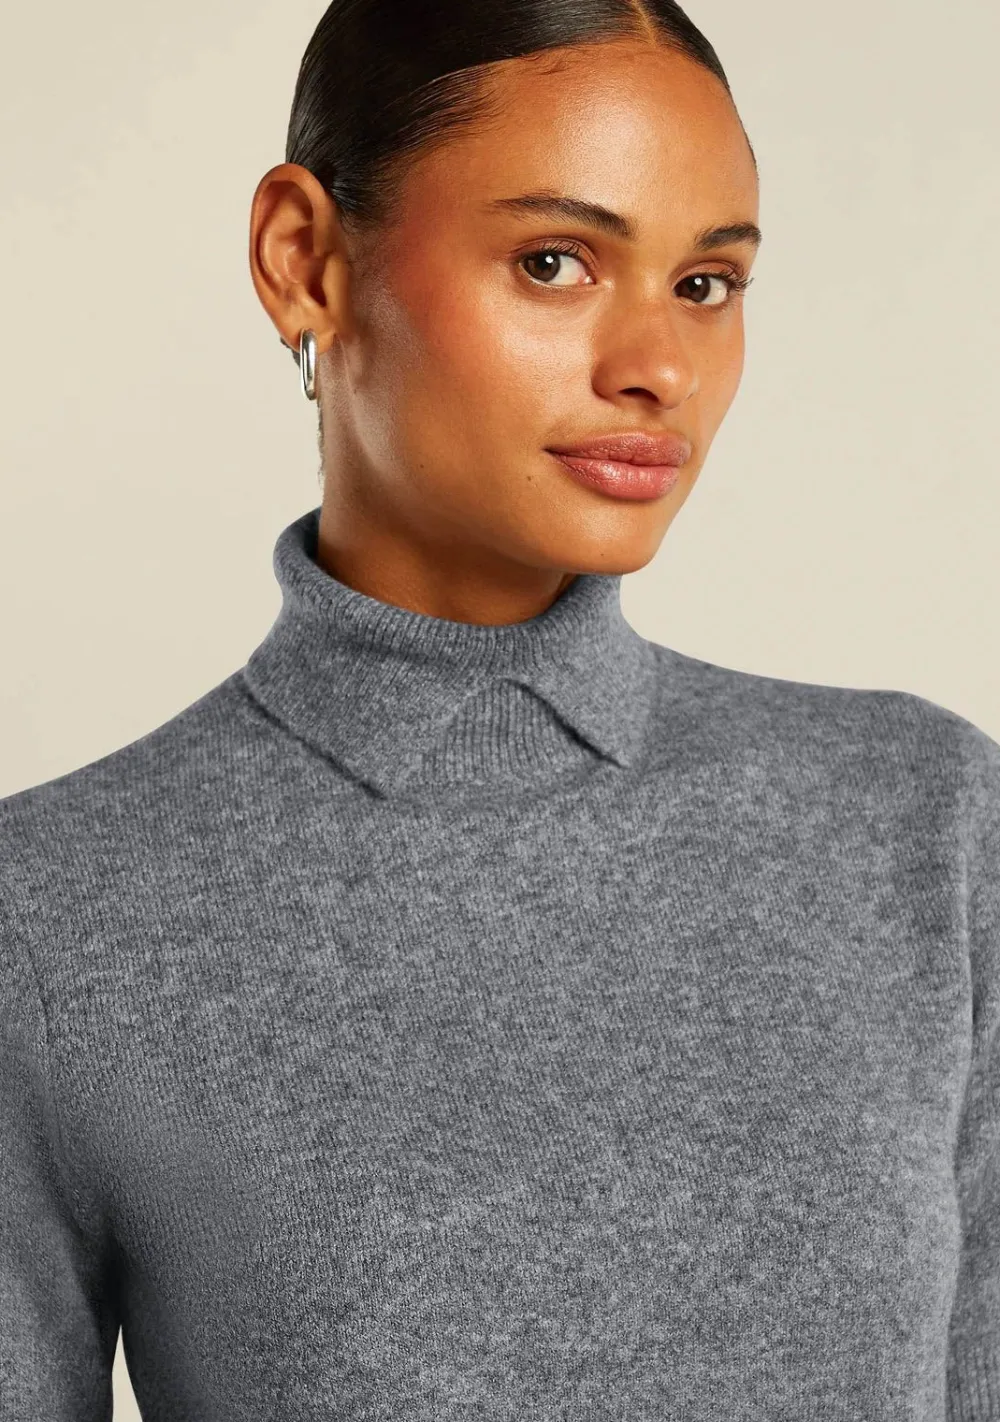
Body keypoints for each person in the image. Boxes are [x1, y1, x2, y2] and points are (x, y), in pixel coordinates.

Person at [2, 1, 998, 1418]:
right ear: (303, 260)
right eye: (555, 262)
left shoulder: (925, 827)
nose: (660, 366)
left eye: (707, 283)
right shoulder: (53, 914)